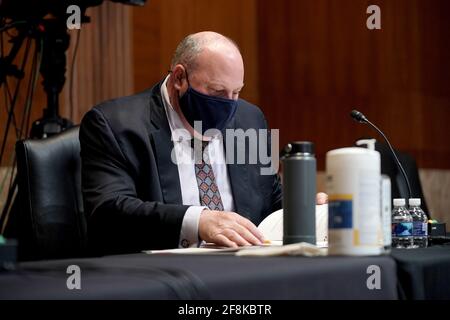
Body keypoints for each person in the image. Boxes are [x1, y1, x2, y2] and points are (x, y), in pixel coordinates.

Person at [80, 31, 326, 254]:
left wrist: (304, 208)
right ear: (179, 78)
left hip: (246, 269)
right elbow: (108, 213)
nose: (230, 105)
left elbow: (269, 200)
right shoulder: (115, 125)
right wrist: (198, 221)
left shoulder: (249, 118)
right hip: (163, 277)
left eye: (237, 92)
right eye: (217, 92)